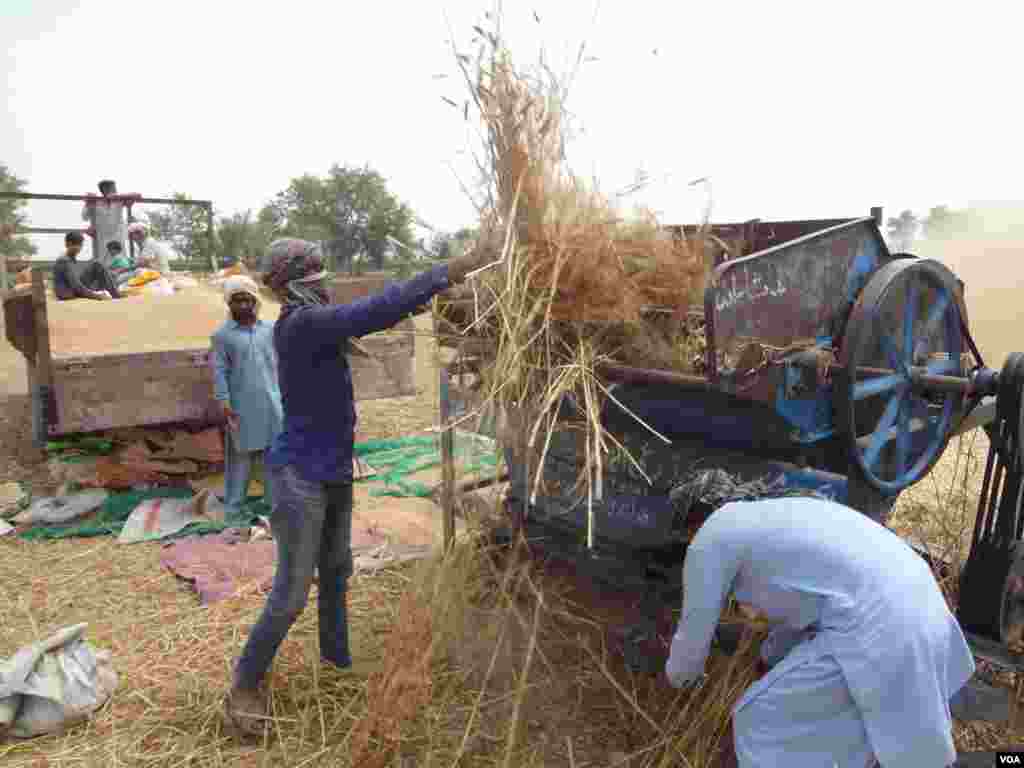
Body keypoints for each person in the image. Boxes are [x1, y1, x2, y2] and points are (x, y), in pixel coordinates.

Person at [224, 238, 490, 734]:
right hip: (300, 475)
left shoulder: (310, 324)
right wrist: (452, 269)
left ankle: (337, 664)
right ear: (299, 284)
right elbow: (375, 310)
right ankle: (244, 686)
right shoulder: (302, 326)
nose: (325, 284)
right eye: (317, 276)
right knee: (292, 591)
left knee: (338, 570)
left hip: (333, 468)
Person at [663, 485, 975, 768]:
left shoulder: (710, 539)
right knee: (865, 741)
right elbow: (803, 611)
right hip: (920, 602)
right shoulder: (770, 517)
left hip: (881, 625)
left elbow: (693, 635)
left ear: (692, 523)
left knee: (758, 719)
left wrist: (681, 682)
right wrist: (769, 657)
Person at [210, 275, 283, 517]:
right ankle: (233, 505)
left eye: (247, 300)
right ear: (229, 305)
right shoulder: (222, 336)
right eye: (236, 301)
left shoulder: (271, 330)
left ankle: (275, 503)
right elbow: (219, 371)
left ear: (256, 301)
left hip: (272, 402)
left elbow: (282, 365)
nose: (242, 305)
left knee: (273, 456)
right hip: (240, 405)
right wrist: (224, 401)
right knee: (240, 456)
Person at [52, 231, 122, 301]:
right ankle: (114, 294)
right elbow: (77, 287)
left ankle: (112, 293)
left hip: (73, 289)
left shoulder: (70, 259)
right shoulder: (63, 261)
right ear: (69, 244)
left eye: (81, 246)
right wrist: (98, 296)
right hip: (68, 293)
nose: (80, 249)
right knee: (97, 265)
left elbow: (76, 281)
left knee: (97, 265)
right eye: (78, 246)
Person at [81, 179, 128, 267]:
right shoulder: (95, 201)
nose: (115, 191)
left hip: (118, 236)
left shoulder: (119, 200)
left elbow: (137, 195)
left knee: (121, 262)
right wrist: (88, 202)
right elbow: (84, 217)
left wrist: (115, 197)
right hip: (102, 238)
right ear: (105, 189)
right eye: (113, 188)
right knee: (104, 263)